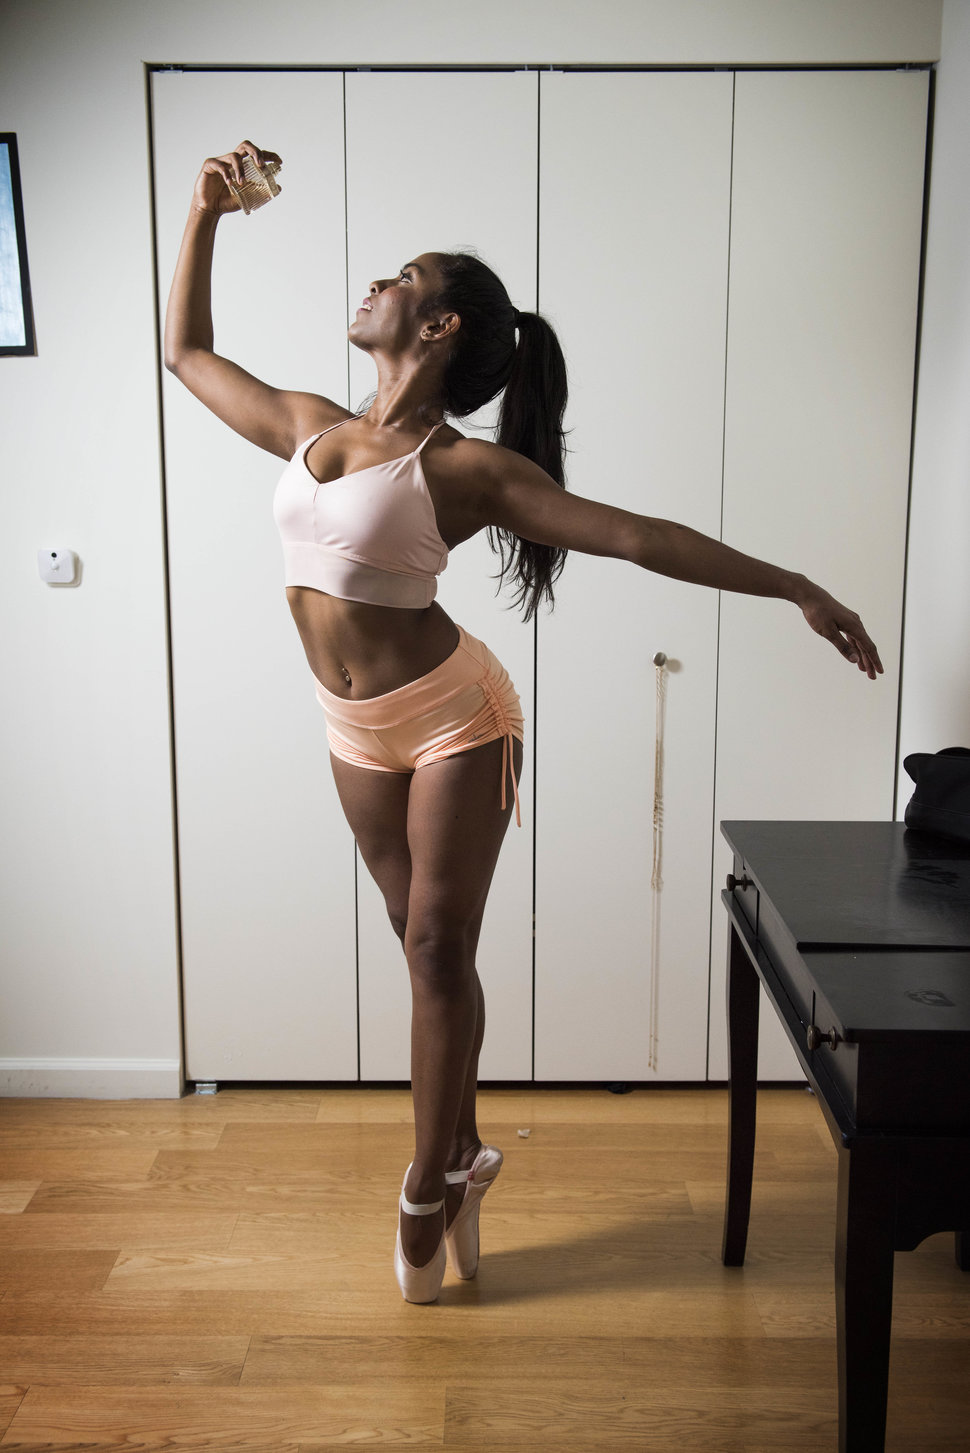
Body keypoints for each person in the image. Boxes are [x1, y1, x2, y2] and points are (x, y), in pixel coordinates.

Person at [164, 140, 883, 1305]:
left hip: (458, 717)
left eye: (402, 275)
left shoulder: (465, 469)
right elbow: (187, 353)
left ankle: (424, 1181)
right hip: (352, 727)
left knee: (436, 945)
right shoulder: (306, 422)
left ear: (439, 325)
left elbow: (639, 535)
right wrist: (204, 211)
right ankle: (463, 1152)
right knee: (419, 937)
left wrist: (795, 585)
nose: (376, 282)